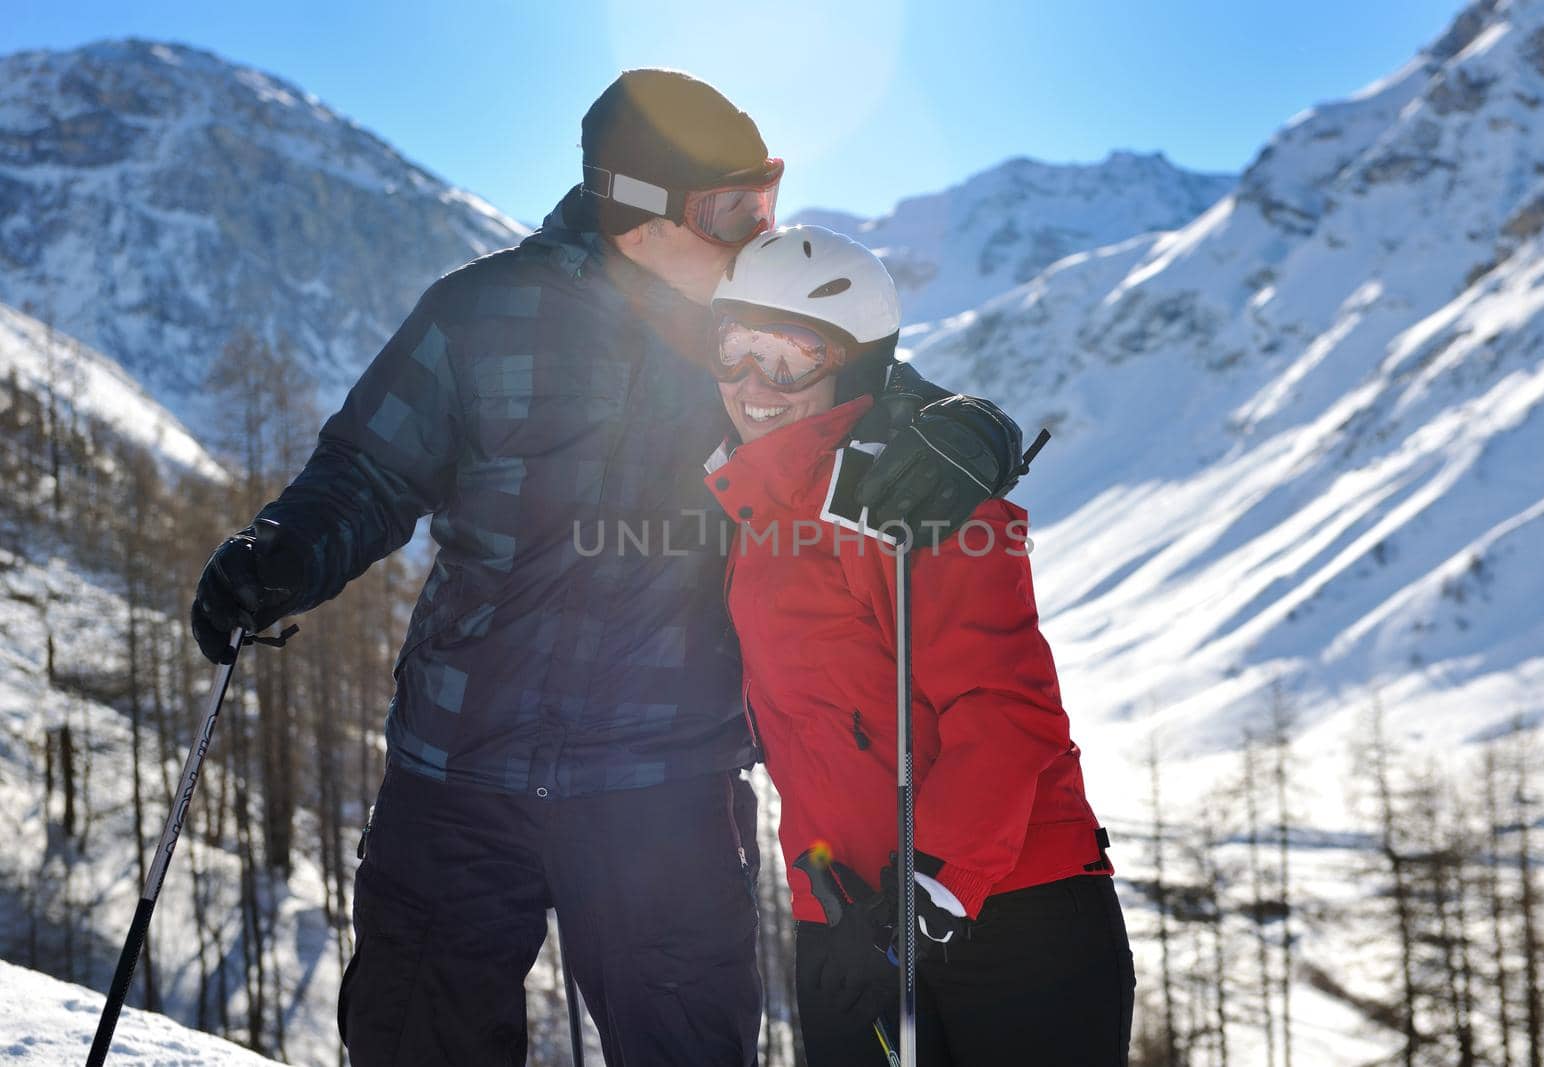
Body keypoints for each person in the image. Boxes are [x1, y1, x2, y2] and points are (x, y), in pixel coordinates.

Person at [188, 71, 1029, 1066]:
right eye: (733, 206)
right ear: (635, 209)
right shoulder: (478, 314)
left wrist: (966, 435)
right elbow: (369, 469)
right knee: (416, 1037)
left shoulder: (753, 331)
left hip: (665, 778)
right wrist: (284, 552)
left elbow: (886, 400)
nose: (760, 229)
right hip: (457, 767)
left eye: (767, 198)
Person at [702, 225, 1136, 1065]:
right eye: (736, 348)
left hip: (1011, 911)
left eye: (790, 356)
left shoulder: (918, 493)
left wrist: (934, 881)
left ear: (854, 364)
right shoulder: (748, 504)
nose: (755, 383)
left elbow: (1007, 710)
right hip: (846, 916)